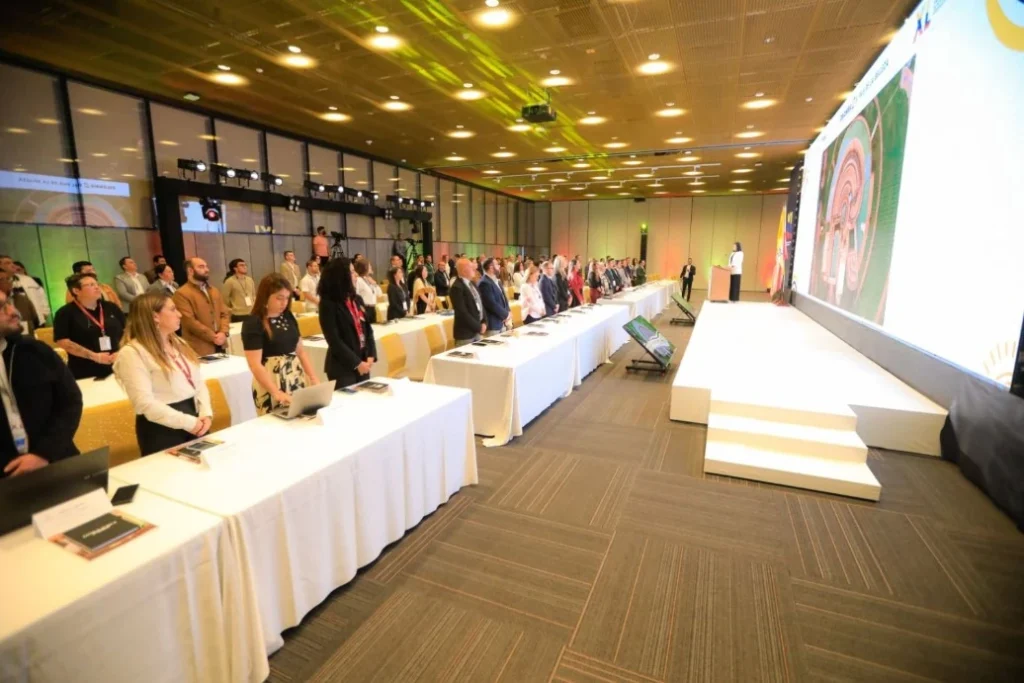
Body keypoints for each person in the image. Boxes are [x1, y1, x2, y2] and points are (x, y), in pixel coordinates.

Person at [113, 292, 213, 455]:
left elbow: (198, 382)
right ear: (155, 317)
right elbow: (144, 403)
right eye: (173, 309)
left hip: (195, 419)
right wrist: (188, 422)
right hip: (163, 429)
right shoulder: (132, 353)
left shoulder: (178, 342)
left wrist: (206, 413)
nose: (179, 314)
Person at [1, 289, 83, 478]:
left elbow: (70, 402)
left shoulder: (35, 350)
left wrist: (44, 453)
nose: (13, 311)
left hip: (59, 462)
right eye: (1, 307)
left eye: (9, 303)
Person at [242, 274, 318, 415]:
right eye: (279, 298)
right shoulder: (253, 322)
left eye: (287, 298)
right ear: (265, 297)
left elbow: (301, 352)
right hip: (270, 379)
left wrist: (313, 377)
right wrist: (275, 392)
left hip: (294, 375)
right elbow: (255, 365)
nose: (284, 303)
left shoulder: (288, 316)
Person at [53, 273, 126, 380]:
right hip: (86, 370)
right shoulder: (65, 313)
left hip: (118, 365)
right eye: (91, 285)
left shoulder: (111, 307)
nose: (97, 287)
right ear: (76, 291)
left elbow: (128, 331)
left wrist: (121, 351)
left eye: (96, 284)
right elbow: (63, 341)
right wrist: (94, 356)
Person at [318, 258, 376, 388]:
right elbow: (334, 340)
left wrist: (371, 354)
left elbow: (368, 330)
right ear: (341, 276)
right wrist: (356, 363)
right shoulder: (328, 304)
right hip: (342, 367)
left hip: (363, 360)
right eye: (352, 272)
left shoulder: (357, 299)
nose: (356, 275)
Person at [173, 257, 231, 356]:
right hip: (200, 347)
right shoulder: (181, 294)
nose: (207, 269)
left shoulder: (214, 290)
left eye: (206, 266)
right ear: (190, 271)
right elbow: (189, 321)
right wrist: (213, 337)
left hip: (220, 343)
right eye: (201, 267)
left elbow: (225, 313)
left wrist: (223, 332)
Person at [0, 255, 48, 327]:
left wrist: (44, 313)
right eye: (7, 263)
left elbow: (41, 295)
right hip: (11, 324)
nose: (12, 265)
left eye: (12, 262)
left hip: (36, 321)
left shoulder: (28, 279)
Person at [449, 257, 485, 345]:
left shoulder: (472, 283)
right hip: (466, 334)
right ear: (464, 271)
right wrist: (479, 327)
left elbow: (480, 303)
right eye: (471, 267)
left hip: (477, 330)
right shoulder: (457, 287)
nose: (474, 268)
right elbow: (463, 313)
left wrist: (484, 321)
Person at [478, 258, 511, 335]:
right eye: (497, 264)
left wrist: (508, 311)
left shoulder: (497, 281)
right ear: (491, 267)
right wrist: (506, 315)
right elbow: (492, 304)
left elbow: (504, 299)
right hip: (493, 324)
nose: (499, 266)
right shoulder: (484, 283)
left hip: (503, 322)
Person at [0, 267, 37, 335]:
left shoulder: (22, 299)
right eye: (4, 279)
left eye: (9, 279)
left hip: (26, 337)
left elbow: (35, 319)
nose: (10, 282)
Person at [354, 258, 382, 322]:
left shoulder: (369, 279)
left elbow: (379, 294)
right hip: (365, 308)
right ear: (364, 267)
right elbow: (356, 295)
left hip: (373, 308)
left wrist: (375, 284)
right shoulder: (358, 280)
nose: (371, 267)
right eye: (369, 266)